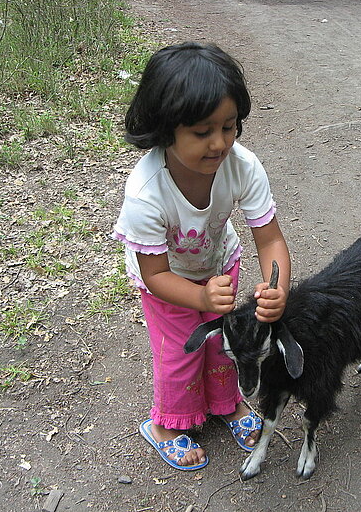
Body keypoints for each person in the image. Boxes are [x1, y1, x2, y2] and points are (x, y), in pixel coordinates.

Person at [113, 42, 291, 470]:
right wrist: (198, 300)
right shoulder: (145, 193)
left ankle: (226, 402)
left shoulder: (243, 167)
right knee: (180, 352)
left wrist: (278, 287)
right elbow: (153, 273)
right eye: (201, 132)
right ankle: (166, 426)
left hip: (218, 265)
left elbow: (270, 241)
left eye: (229, 127)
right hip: (167, 281)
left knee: (226, 344)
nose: (219, 144)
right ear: (164, 128)